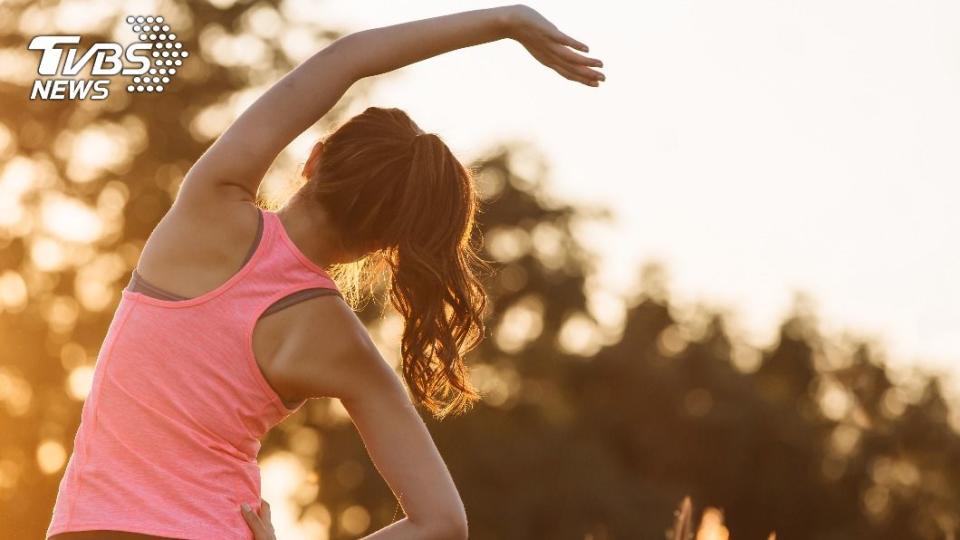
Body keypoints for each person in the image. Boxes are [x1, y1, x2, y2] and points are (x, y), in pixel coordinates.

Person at [46, 4, 604, 539]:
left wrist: (504, 19)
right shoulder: (342, 344)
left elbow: (349, 58)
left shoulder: (210, 208)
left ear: (314, 160)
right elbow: (442, 523)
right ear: (385, 243)